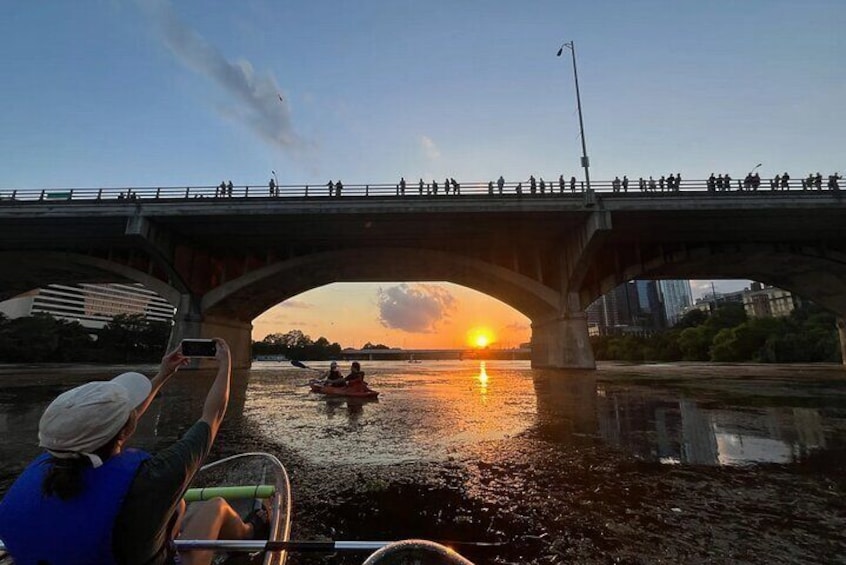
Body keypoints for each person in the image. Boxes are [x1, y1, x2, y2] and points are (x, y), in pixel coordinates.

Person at [0, 339, 266, 565]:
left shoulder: (45, 464)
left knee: (182, 505)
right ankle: (251, 531)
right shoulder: (155, 477)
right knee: (214, 507)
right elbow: (213, 415)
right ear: (124, 432)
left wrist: (163, 375)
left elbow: (114, 426)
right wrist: (225, 364)